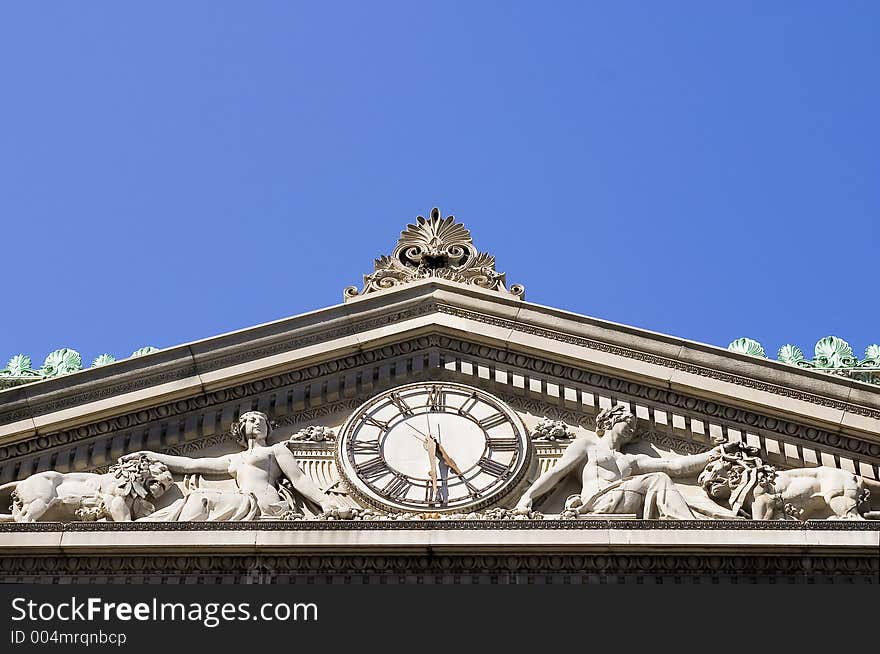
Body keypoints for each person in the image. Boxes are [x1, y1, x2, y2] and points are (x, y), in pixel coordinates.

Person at [515, 404, 736, 519]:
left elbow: (675, 466)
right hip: (597, 502)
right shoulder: (586, 447)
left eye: (634, 427)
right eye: (627, 422)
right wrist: (527, 497)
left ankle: (684, 525)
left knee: (661, 476)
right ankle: (687, 527)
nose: (632, 428)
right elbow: (555, 473)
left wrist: (716, 453)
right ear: (610, 421)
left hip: (622, 499)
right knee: (657, 479)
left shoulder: (630, 460)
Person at [121, 411, 337, 521]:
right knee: (196, 499)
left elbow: (298, 478)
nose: (258, 422)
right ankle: (158, 526)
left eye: (261, 420)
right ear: (242, 428)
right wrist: (149, 454)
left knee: (200, 497)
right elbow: (191, 464)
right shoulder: (235, 459)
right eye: (252, 419)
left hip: (264, 504)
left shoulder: (275, 450)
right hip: (243, 500)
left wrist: (325, 503)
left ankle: (158, 528)